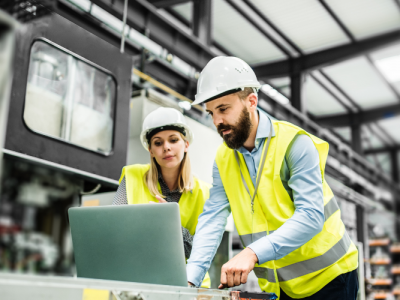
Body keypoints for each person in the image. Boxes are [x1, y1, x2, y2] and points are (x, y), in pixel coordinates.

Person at [186, 57, 359, 299]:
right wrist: (190, 277)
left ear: (251, 101)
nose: (217, 121)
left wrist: (252, 253)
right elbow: (213, 217)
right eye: (211, 112)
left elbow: (311, 216)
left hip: (330, 277)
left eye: (224, 109)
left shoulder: (295, 144)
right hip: (281, 285)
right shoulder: (223, 159)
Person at [113, 107, 211, 288]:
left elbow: (201, 251)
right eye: (158, 143)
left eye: (173, 140)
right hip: (139, 280)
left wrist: (170, 224)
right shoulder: (132, 176)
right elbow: (115, 230)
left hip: (189, 285)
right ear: (150, 150)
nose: (166, 147)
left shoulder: (205, 192)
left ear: (186, 144)